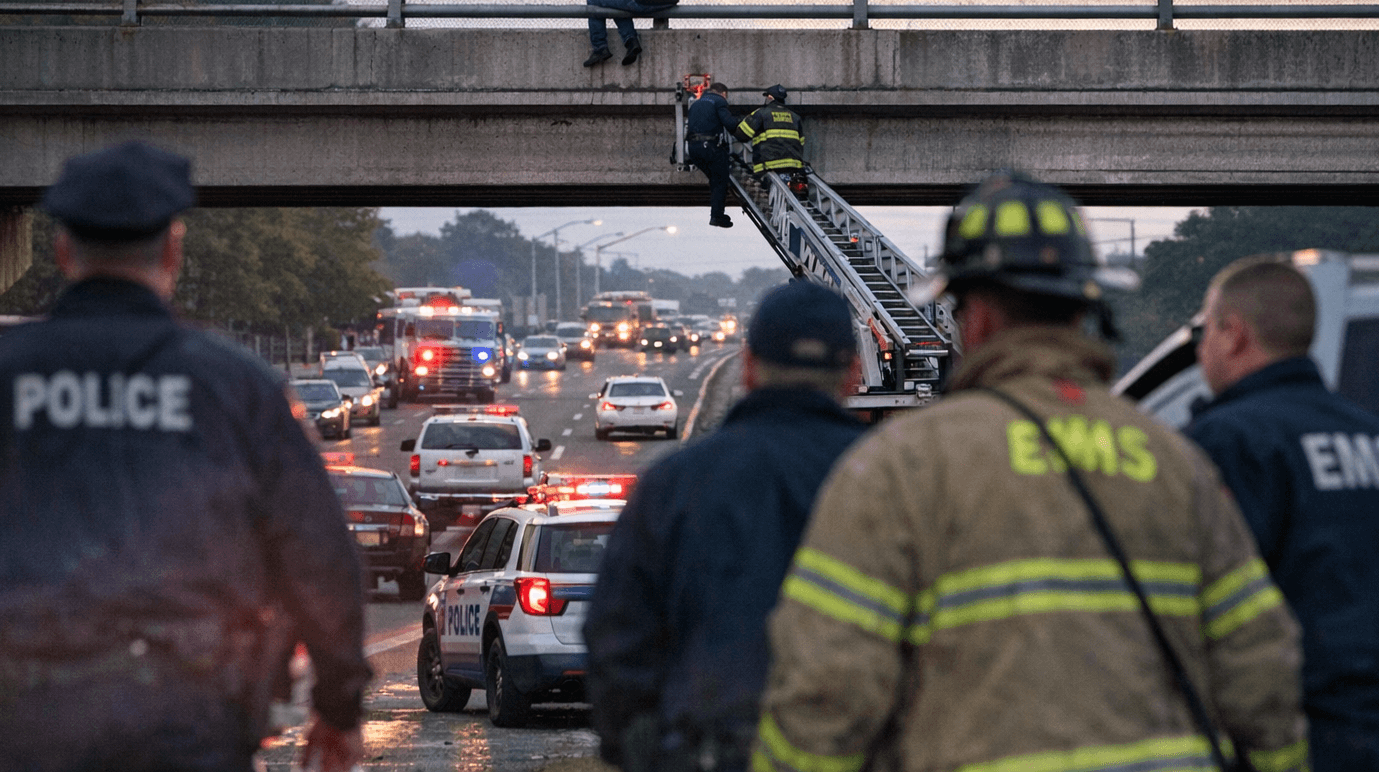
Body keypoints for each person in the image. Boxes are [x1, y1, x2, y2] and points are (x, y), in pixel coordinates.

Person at [0, 142, 370, 772]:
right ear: (173, 251)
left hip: (11, 725)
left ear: (63, 252)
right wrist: (339, 707)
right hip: (191, 723)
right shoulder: (238, 391)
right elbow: (320, 557)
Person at [755, 171, 1308, 772]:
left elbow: (824, 696)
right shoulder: (1176, 461)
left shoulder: (900, 467)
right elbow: (1262, 677)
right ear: (1083, 307)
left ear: (980, 317)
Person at [584, 279, 868, 772]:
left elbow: (615, 642)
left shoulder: (671, 485)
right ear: (853, 374)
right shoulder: (891, 481)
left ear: (748, 367)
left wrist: (649, 752)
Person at [1188, 255, 1379, 771]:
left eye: (1202, 331)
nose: (1201, 347)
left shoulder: (1229, 441)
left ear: (1232, 333)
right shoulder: (1366, 432)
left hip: (1296, 729)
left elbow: (1209, 607)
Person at [685, 81, 742, 227]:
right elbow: (730, 124)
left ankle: (716, 213)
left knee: (715, 180)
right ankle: (717, 216)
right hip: (709, 147)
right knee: (721, 180)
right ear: (723, 93)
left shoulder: (696, 104)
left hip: (693, 149)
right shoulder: (719, 101)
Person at [734, 85, 803, 177]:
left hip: (768, 165)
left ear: (770, 97)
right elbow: (801, 142)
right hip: (794, 165)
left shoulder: (761, 113)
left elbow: (742, 134)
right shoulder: (795, 117)